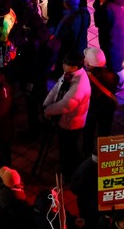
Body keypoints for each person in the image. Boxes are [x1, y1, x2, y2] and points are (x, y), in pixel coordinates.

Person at [43, 50, 91, 180]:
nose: (63, 65)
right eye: (64, 62)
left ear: (76, 67)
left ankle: (69, 172)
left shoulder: (79, 84)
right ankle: (66, 166)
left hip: (72, 122)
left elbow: (66, 105)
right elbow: (56, 88)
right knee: (64, 145)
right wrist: (46, 104)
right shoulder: (70, 74)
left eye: (66, 64)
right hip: (64, 119)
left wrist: (48, 110)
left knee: (69, 147)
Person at [81, 47, 118, 156]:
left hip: (91, 111)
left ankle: (87, 154)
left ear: (88, 63)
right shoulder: (112, 75)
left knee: (88, 133)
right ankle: (103, 154)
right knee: (104, 133)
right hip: (108, 110)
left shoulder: (85, 78)